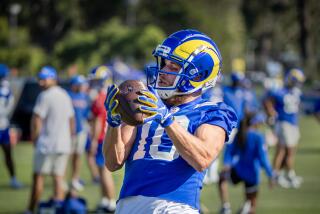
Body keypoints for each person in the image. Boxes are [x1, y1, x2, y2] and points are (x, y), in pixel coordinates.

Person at [103, 29, 238, 213]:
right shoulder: (145, 104)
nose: (163, 71)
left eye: (174, 68)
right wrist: (113, 124)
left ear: (198, 75)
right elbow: (113, 162)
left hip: (174, 207)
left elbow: (202, 158)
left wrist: (166, 119)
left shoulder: (212, 111)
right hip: (127, 206)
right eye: (164, 64)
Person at [26, 66, 75, 213]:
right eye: (40, 79)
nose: (41, 82)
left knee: (38, 178)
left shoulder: (45, 96)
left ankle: (30, 210)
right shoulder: (65, 94)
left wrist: (35, 139)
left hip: (46, 145)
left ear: (53, 79)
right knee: (58, 178)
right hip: (63, 144)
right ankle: (57, 210)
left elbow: (36, 119)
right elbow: (71, 120)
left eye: (44, 79)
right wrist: (70, 139)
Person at [218, 113, 275, 214]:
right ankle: (245, 208)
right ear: (255, 123)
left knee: (222, 179)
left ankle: (226, 206)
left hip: (238, 171)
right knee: (252, 207)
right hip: (252, 175)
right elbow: (263, 159)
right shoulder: (258, 137)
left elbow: (230, 151)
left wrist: (227, 164)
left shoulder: (240, 134)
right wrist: (270, 175)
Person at [264, 68, 305, 188]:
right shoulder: (280, 91)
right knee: (286, 151)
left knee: (285, 151)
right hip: (284, 123)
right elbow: (268, 102)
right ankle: (289, 175)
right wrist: (272, 113)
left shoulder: (295, 92)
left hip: (293, 123)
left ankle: (278, 175)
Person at [87, 65, 116, 212]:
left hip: (101, 139)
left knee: (104, 172)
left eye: (98, 80)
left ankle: (110, 202)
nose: (94, 83)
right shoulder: (108, 96)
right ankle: (105, 199)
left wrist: (93, 140)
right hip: (105, 137)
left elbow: (98, 121)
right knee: (101, 171)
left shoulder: (101, 98)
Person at [0, 63, 22, 189]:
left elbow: (9, 106)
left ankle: (13, 178)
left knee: (8, 153)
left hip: (3, 126)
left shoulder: (6, 89)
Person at [68, 75, 90, 191]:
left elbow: (86, 115)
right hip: (68, 132)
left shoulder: (84, 97)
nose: (82, 86)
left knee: (78, 155)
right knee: (67, 156)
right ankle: (63, 179)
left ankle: (74, 179)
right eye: (79, 84)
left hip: (81, 130)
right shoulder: (67, 96)